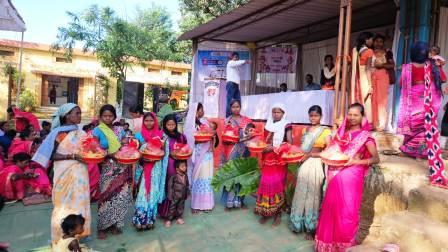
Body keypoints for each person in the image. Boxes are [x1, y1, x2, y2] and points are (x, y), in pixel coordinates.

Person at [315, 103, 380, 251]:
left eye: (356, 115)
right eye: (349, 114)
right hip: (335, 172)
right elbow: (332, 150)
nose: (352, 117)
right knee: (331, 207)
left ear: (362, 117)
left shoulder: (366, 137)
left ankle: (343, 245)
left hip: (352, 175)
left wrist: (357, 161)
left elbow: (376, 159)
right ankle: (327, 245)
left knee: (347, 210)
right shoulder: (341, 133)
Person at [32, 103, 91, 246]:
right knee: (63, 206)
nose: (79, 116)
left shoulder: (81, 132)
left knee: (79, 204)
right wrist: (72, 156)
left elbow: (86, 150)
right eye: (76, 113)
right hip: (64, 174)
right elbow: (51, 155)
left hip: (80, 175)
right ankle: (60, 237)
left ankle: (76, 235)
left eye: (79, 113)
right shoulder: (59, 133)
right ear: (66, 116)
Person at [397, 41, 447, 185]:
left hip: (412, 103)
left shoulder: (407, 68)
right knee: (426, 128)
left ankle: (410, 150)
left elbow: (401, 84)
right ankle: (423, 153)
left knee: (413, 126)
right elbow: (443, 79)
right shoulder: (432, 66)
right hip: (429, 103)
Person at [289, 105, 331, 239]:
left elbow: (329, 151)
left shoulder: (325, 131)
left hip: (316, 164)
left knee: (313, 195)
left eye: (316, 115)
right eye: (311, 115)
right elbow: (303, 149)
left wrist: (312, 155)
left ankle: (310, 228)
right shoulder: (305, 130)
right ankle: (297, 223)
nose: (313, 118)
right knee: (301, 193)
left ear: (321, 116)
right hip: (304, 163)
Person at [93, 104, 132, 239]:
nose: (108, 118)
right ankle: (102, 227)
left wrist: (126, 146)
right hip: (108, 167)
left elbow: (124, 146)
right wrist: (109, 155)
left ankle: (116, 223)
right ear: (101, 117)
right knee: (105, 196)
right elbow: (94, 149)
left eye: (110, 116)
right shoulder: (97, 131)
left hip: (122, 166)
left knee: (119, 195)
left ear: (114, 116)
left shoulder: (120, 130)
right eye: (105, 116)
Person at [254, 103, 292, 226]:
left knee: (277, 185)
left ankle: (278, 213)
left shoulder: (287, 125)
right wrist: (263, 148)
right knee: (265, 184)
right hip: (267, 159)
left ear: (283, 113)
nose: (275, 114)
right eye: (274, 112)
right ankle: (266, 212)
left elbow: (289, 143)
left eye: (278, 112)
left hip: (279, 159)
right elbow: (264, 141)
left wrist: (274, 148)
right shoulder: (268, 124)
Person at [132, 112, 167, 231]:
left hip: (156, 168)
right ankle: (140, 219)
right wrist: (142, 158)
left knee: (153, 193)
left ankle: (150, 219)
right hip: (143, 168)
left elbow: (164, 154)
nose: (149, 123)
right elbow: (134, 152)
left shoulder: (161, 135)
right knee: (143, 193)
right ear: (143, 122)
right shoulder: (138, 136)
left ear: (155, 122)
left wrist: (161, 149)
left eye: (151, 120)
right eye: (146, 120)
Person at [184, 103, 217, 214]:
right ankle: (195, 205)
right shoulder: (190, 124)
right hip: (197, 153)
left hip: (207, 154)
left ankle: (207, 204)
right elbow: (190, 140)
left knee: (207, 179)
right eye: (201, 110)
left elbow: (211, 136)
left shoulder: (205, 122)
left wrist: (211, 135)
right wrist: (201, 138)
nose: (203, 112)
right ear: (196, 111)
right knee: (198, 178)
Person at [221, 99, 253, 210]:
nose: (236, 109)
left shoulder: (247, 120)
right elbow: (224, 137)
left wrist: (249, 137)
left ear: (240, 107)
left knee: (243, 176)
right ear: (230, 108)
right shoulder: (227, 121)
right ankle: (229, 202)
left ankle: (241, 201)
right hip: (231, 151)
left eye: (237, 106)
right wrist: (228, 140)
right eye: (233, 107)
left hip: (244, 151)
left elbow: (252, 134)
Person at [158, 114, 188, 227]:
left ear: (176, 124)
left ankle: (178, 214)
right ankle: (167, 214)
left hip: (180, 165)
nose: (171, 126)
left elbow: (186, 149)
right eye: (168, 124)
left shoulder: (181, 137)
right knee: (170, 188)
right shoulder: (162, 136)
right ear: (165, 125)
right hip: (168, 165)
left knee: (180, 188)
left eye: (173, 124)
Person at [371, 34, 395, 131]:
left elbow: (392, 65)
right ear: (373, 42)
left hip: (383, 77)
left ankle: (381, 124)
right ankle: (373, 123)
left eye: (381, 41)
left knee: (381, 101)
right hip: (371, 77)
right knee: (372, 100)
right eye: (377, 41)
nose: (378, 43)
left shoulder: (387, 52)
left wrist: (382, 65)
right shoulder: (369, 52)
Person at [351, 31, 375, 122]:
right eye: (371, 39)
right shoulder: (369, 51)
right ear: (366, 40)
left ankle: (357, 121)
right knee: (367, 101)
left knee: (357, 101)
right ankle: (367, 122)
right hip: (364, 78)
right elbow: (367, 69)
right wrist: (370, 85)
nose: (372, 41)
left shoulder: (354, 50)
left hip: (355, 80)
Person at [226, 52, 251, 117]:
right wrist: (245, 61)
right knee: (229, 101)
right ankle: (228, 116)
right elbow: (238, 62)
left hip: (236, 84)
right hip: (231, 84)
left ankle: (236, 115)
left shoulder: (236, 66)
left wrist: (244, 63)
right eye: (235, 57)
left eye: (237, 57)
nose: (236, 59)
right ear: (232, 58)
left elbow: (239, 64)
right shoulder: (230, 63)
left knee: (238, 100)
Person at [166, 160, 189, 227]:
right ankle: (169, 220)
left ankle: (179, 218)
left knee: (181, 207)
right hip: (175, 196)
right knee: (172, 208)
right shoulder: (174, 176)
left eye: (185, 166)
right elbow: (170, 186)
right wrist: (170, 195)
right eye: (182, 166)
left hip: (183, 195)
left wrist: (187, 193)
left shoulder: (186, 175)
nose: (184, 167)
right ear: (177, 168)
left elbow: (187, 184)